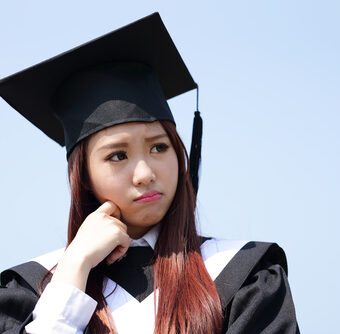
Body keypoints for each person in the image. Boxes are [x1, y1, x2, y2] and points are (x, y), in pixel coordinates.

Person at [0, 13, 300, 334]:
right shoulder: (31, 292)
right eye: (118, 155)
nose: (144, 173)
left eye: (159, 147)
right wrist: (73, 269)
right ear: (84, 175)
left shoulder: (244, 275)